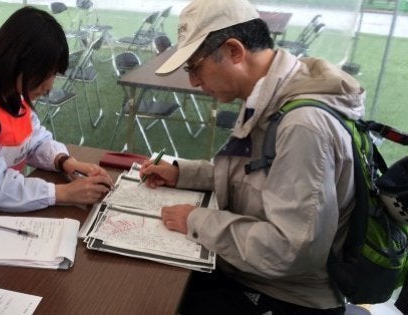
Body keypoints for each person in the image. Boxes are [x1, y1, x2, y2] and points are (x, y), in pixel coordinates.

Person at [141, 0, 365, 313]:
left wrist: (196, 219)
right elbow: (260, 174)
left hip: (288, 296)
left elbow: (291, 249)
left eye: (194, 66)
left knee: (152, 299)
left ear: (234, 51)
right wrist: (183, 173)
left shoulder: (303, 125)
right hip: (255, 274)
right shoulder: (270, 94)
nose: (193, 81)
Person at [0, 6, 113, 214]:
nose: (49, 85)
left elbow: (34, 141)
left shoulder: (15, 96)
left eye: (54, 74)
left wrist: (65, 162)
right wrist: (63, 193)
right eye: (44, 73)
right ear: (16, 61)